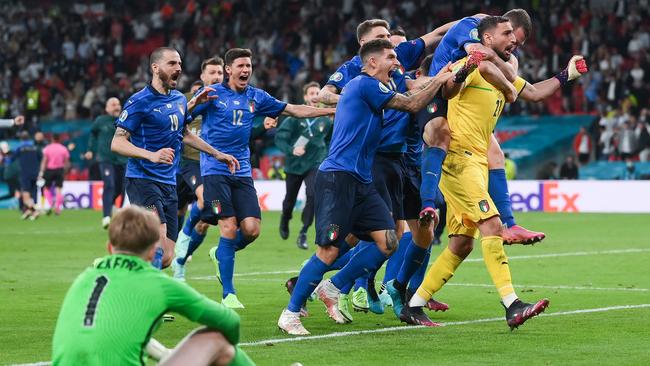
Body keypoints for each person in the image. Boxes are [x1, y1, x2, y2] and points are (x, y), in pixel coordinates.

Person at [400, 16, 587, 328]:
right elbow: (446, 90)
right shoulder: (469, 63)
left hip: (476, 162)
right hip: (459, 160)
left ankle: (414, 304)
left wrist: (565, 76)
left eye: (514, 35)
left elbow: (536, 93)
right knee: (492, 224)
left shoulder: (503, 71)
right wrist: (466, 69)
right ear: (486, 39)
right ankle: (512, 304)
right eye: (507, 33)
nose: (513, 39)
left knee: (461, 244)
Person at [277, 39, 455, 335]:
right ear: (372, 63)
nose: (397, 62)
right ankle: (291, 313)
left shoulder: (375, 88)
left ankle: (332, 287)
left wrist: (440, 77)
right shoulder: (364, 84)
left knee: (388, 241)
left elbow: (410, 91)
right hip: (338, 178)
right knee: (328, 250)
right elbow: (411, 103)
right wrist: (440, 79)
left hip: (361, 181)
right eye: (391, 57)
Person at [191, 48, 335, 309]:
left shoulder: (256, 96)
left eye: (249, 66)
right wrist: (192, 104)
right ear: (228, 70)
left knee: (252, 230)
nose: (246, 70)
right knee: (228, 226)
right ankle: (229, 294)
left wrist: (330, 111)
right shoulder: (213, 95)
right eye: (241, 66)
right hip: (214, 170)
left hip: (242, 172)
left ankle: (221, 254)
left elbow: (294, 110)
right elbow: (183, 120)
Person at [51, 206, 254, 366]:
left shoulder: (85, 279)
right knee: (217, 341)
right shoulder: (157, 283)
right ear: (152, 253)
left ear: (109, 248)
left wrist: (164, 355)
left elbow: (102, 335)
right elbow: (230, 322)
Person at [419, 9, 547, 245]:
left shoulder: (489, 36)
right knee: (441, 135)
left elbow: (522, 83)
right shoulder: (472, 28)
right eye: (511, 37)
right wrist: (508, 83)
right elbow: (481, 58)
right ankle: (427, 203)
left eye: (517, 43)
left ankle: (510, 223)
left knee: (495, 153)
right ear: (500, 29)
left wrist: (563, 76)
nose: (512, 46)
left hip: (459, 99)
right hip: (437, 94)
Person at [111, 46, 239, 270]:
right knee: (158, 243)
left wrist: (217, 154)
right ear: (155, 67)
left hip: (168, 183)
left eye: (179, 64)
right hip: (143, 180)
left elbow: (184, 134)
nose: (178, 68)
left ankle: (117, 267)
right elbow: (117, 142)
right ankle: (149, 299)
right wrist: (151, 155)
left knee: (167, 256)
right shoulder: (139, 101)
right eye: (172, 64)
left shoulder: (179, 99)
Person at [172, 57, 226, 282]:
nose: (216, 77)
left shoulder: (225, 101)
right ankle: (172, 248)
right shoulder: (183, 101)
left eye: (220, 73)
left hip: (208, 165)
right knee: (177, 212)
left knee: (204, 221)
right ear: (202, 77)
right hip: (184, 164)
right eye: (212, 72)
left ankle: (181, 260)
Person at [275, 81, 333, 250]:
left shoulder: (326, 120)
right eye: (312, 93)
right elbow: (280, 138)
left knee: (313, 194)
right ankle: (285, 218)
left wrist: (327, 155)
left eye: (317, 93)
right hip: (294, 165)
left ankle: (304, 231)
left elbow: (330, 140)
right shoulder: (295, 117)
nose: (315, 96)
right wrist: (292, 149)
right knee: (289, 201)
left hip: (315, 163)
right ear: (305, 97)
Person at [86, 97, 127, 228]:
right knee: (109, 184)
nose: (116, 106)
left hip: (123, 159)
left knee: (122, 187)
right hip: (106, 159)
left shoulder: (125, 119)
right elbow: (92, 134)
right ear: (107, 108)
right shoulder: (100, 121)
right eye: (113, 104)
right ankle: (106, 216)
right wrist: (90, 150)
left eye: (118, 104)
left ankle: (117, 210)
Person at [40, 134, 70, 215]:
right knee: (58, 190)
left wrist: (41, 172)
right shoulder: (63, 149)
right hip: (59, 170)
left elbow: (44, 161)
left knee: (46, 188)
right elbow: (66, 162)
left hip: (49, 170)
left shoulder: (47, 148)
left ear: (52, 139)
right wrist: (65, 171)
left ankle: (50, 204)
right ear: (59, 139)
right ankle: (57, 208)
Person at [15, 131, 41, 220]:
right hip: (35, 174)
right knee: (32, 194)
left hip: (25, 174)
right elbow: (41, 159)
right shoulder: (35, 147)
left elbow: (11, 159)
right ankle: (29, 211)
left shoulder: (20, 148)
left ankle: (35, 210)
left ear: (21, 138)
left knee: (25, 195)